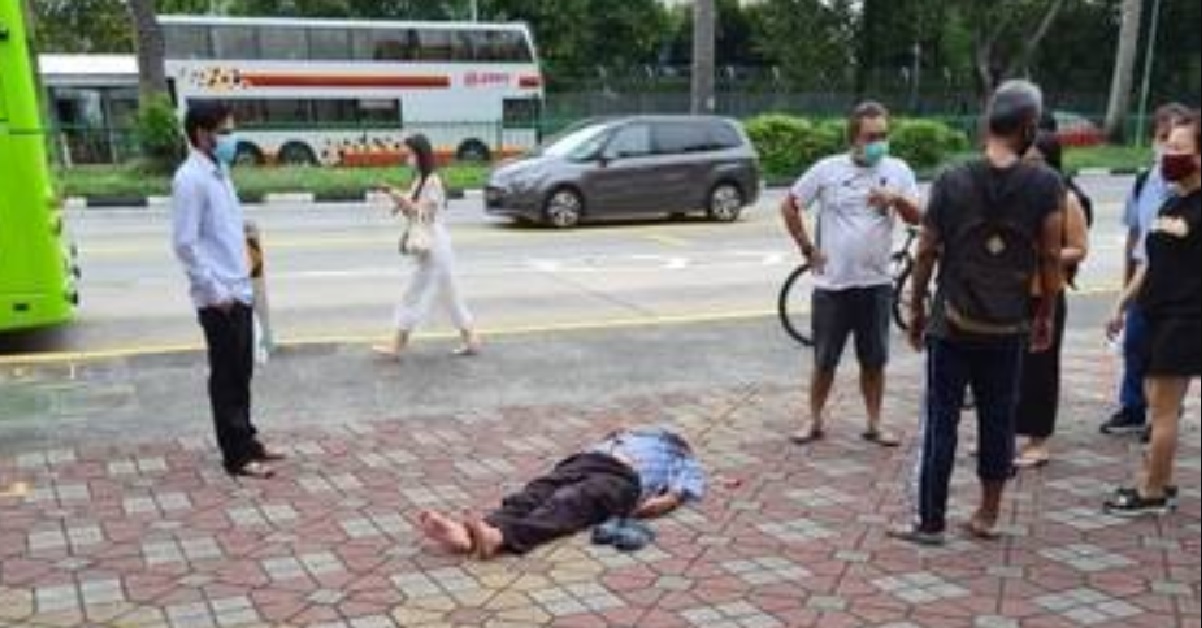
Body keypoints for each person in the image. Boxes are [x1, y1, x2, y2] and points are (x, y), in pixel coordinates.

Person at [892, 80, 1065, 545]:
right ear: (1028, 127)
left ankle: (931, 521)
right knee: (998, 420)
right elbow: (1051, 257)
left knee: (942, 420)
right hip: (1009, 324)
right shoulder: (1046, 184)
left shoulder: (951, 179)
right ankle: (987, 515)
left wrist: (916, 309)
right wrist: (1046, 312)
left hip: (952, 323)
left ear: (989, 124)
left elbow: (926, 251)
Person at [781, 101, 923, 447]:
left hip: (876, 284)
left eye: (883, 136)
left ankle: (874, 422)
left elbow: (918, 217)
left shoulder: (898, 170)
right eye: (871, 137)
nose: (879, 143)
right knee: (824, 359)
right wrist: (808, 249)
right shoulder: (828, 169)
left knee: (874, 360)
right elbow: (790, 204)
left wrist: (895, 199)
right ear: (854, 138)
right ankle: (814, 419)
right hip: (833, 285)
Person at [171, 102, 283, 479]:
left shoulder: (220, 173)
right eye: (225, 131)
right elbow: (184, 243)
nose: (231, 139)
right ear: (203, 134)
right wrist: (214, 291)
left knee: (242, 372)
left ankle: (247, 440)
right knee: (226, 376)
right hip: (219, 297)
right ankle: (235, 455)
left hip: (239, 288)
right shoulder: (190, 179)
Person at [1104, 112, 1202, 516]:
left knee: (1163, 408)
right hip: (1154, 315)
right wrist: (1122, 302)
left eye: (1178, 148)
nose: (1167, 155)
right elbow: (1150, 262)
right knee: (1154, 400)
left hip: (1185, 319)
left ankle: (1152, 491)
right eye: (1166, 145)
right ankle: (1158, 477)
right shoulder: (1173, 201)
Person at [417, 426, 706, 559]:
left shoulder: (683, 459)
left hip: (625, 480)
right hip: (586, 460)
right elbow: (613, 433)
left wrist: (663, 501)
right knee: (534, 493)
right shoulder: (635, 433)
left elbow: (678, 493)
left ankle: (501, 538)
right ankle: (470, 535)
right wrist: (618, 436)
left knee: (570, 502)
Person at [1101, 103, 1191, 437]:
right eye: (1163, 138)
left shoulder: (1188, 191)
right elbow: (1136, 237)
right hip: (1144, 280)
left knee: (1166, 357)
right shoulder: (1144, 183)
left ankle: (1164, 414)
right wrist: (1125, 286)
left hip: (1179, 291)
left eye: (1176, 142)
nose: (1167, 149)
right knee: (1135, 345)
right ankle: (1133, 406)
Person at [1013, 131, 1092, 467]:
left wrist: (1046, 256)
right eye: (1023, 160)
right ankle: (1004, 432)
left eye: (1034, 161)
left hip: (1044, 294)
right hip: (1007, 294)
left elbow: (1079, 248)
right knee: (1005, 365)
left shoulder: (1065, 199)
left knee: (1040, 369)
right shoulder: (1011, 195)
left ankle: (1038, 439)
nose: (1027, 167)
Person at [372, 134, 480, 359]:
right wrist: (397, 200)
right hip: (433, 244)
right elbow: (411, 212)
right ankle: (471, 340)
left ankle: (396, 346)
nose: (407, 158)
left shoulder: (433, 181)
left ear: (420, 155)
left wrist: (394, 193)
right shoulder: (420, 179)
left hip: (433, 248)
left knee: (411, 295)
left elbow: (423, 214)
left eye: (410, 154)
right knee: (450, 295)